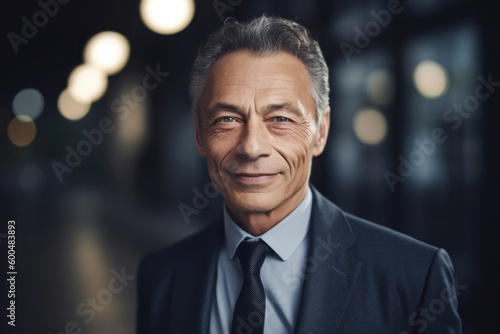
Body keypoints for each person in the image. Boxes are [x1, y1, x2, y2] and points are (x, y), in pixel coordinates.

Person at [136, 15, 461, 334]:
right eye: (227, 120)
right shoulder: (161, 276)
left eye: (280, 119)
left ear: (321, 131)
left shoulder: (414, 277)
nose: (251, 147)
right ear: (198, 134)